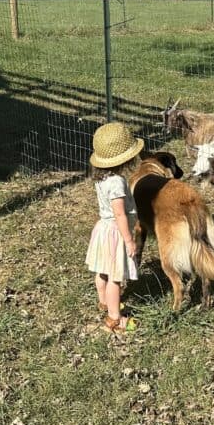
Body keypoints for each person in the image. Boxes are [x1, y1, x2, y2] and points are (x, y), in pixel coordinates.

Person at [85, 122, 144, 334]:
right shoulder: (117, 182)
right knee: (115, 277)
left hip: (102, 228)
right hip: (116, 234)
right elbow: (119, 213)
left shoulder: (101, 178)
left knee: (102, 271)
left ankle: (104, 302)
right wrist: (129, 239)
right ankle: (114, 318)